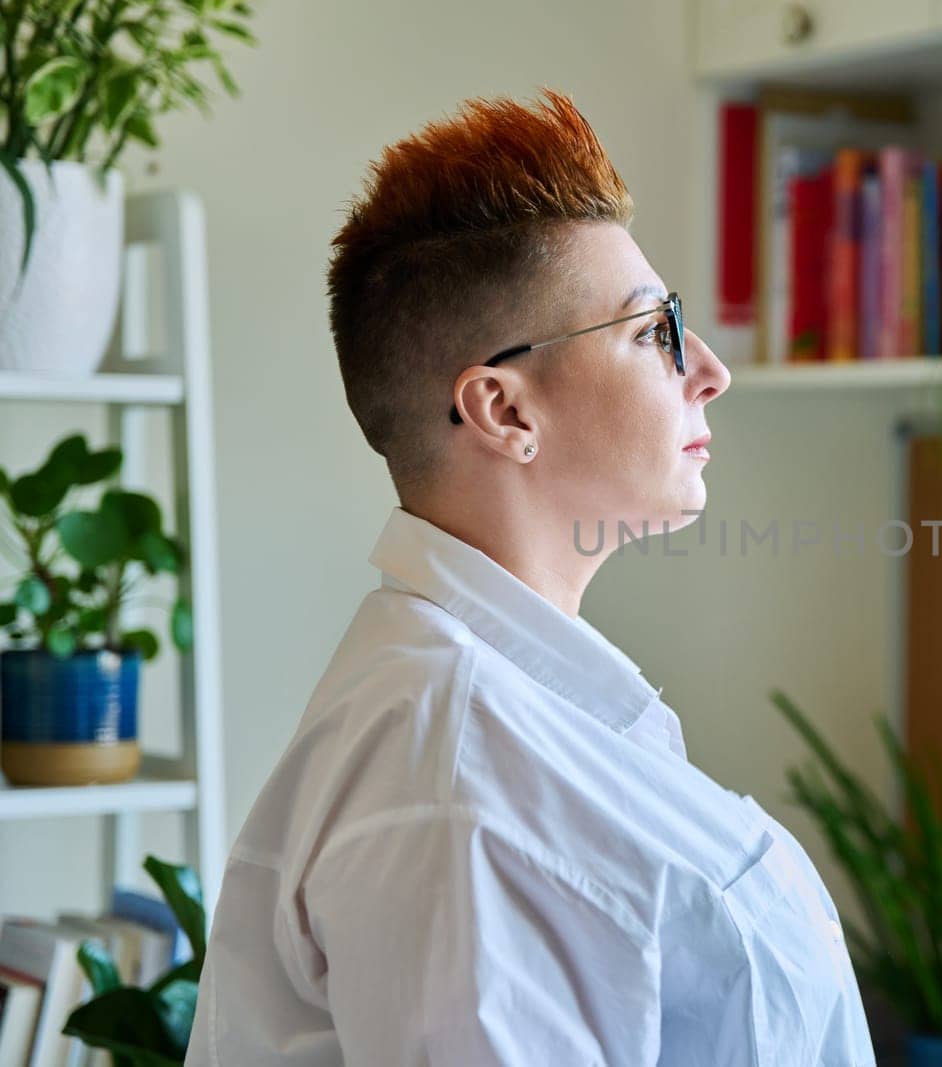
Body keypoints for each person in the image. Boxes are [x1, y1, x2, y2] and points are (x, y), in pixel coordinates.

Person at [187, 89, 875, 1066]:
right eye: (654, 331)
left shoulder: (496, 713)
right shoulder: (453, 772)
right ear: (504, 410)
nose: (711, 368)